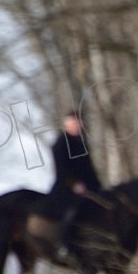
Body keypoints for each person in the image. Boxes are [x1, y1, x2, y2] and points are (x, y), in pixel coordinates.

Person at [38, 110, 103, 262]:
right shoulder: (60, 144)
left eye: (80, 122)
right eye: (75, 122)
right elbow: (62, 170)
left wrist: (99, 188)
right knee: (74, 210)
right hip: (65, 190)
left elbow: (89, 170)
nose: (79, 125)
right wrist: (74, 184)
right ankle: (64, 245)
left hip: (87, 189)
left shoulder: (81, 144)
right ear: (67, 124)